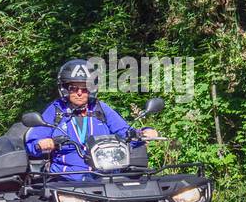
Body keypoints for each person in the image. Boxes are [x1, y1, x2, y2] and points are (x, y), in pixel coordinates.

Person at [25, 59, 157, 179]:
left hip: (106, 174)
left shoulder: (100, 108)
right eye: (73, 88)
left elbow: (124, 131)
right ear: (64, 89)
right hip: (67, 177)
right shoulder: (56, 110)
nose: (79, 93)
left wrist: (142, 133)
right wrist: (41, 144)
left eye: (85, 88)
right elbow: (33, 143)